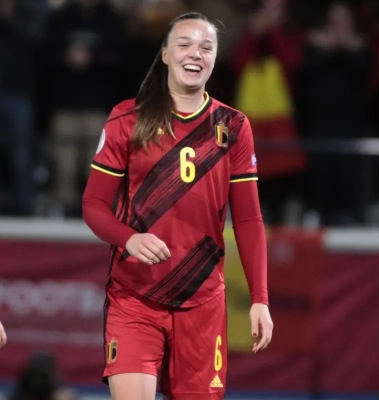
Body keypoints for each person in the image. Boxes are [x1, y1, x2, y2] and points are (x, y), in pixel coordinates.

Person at [82, 12, 273, 400]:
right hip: (134, 297)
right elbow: (94, 204)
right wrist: (129, 239)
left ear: (215, 58)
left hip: (202, 302)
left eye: (207, 47)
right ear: (166, 54)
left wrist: (260, 299)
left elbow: (249, 220)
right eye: (184, 44)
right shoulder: (128, 119)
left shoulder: (234, 127)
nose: (195, 54)